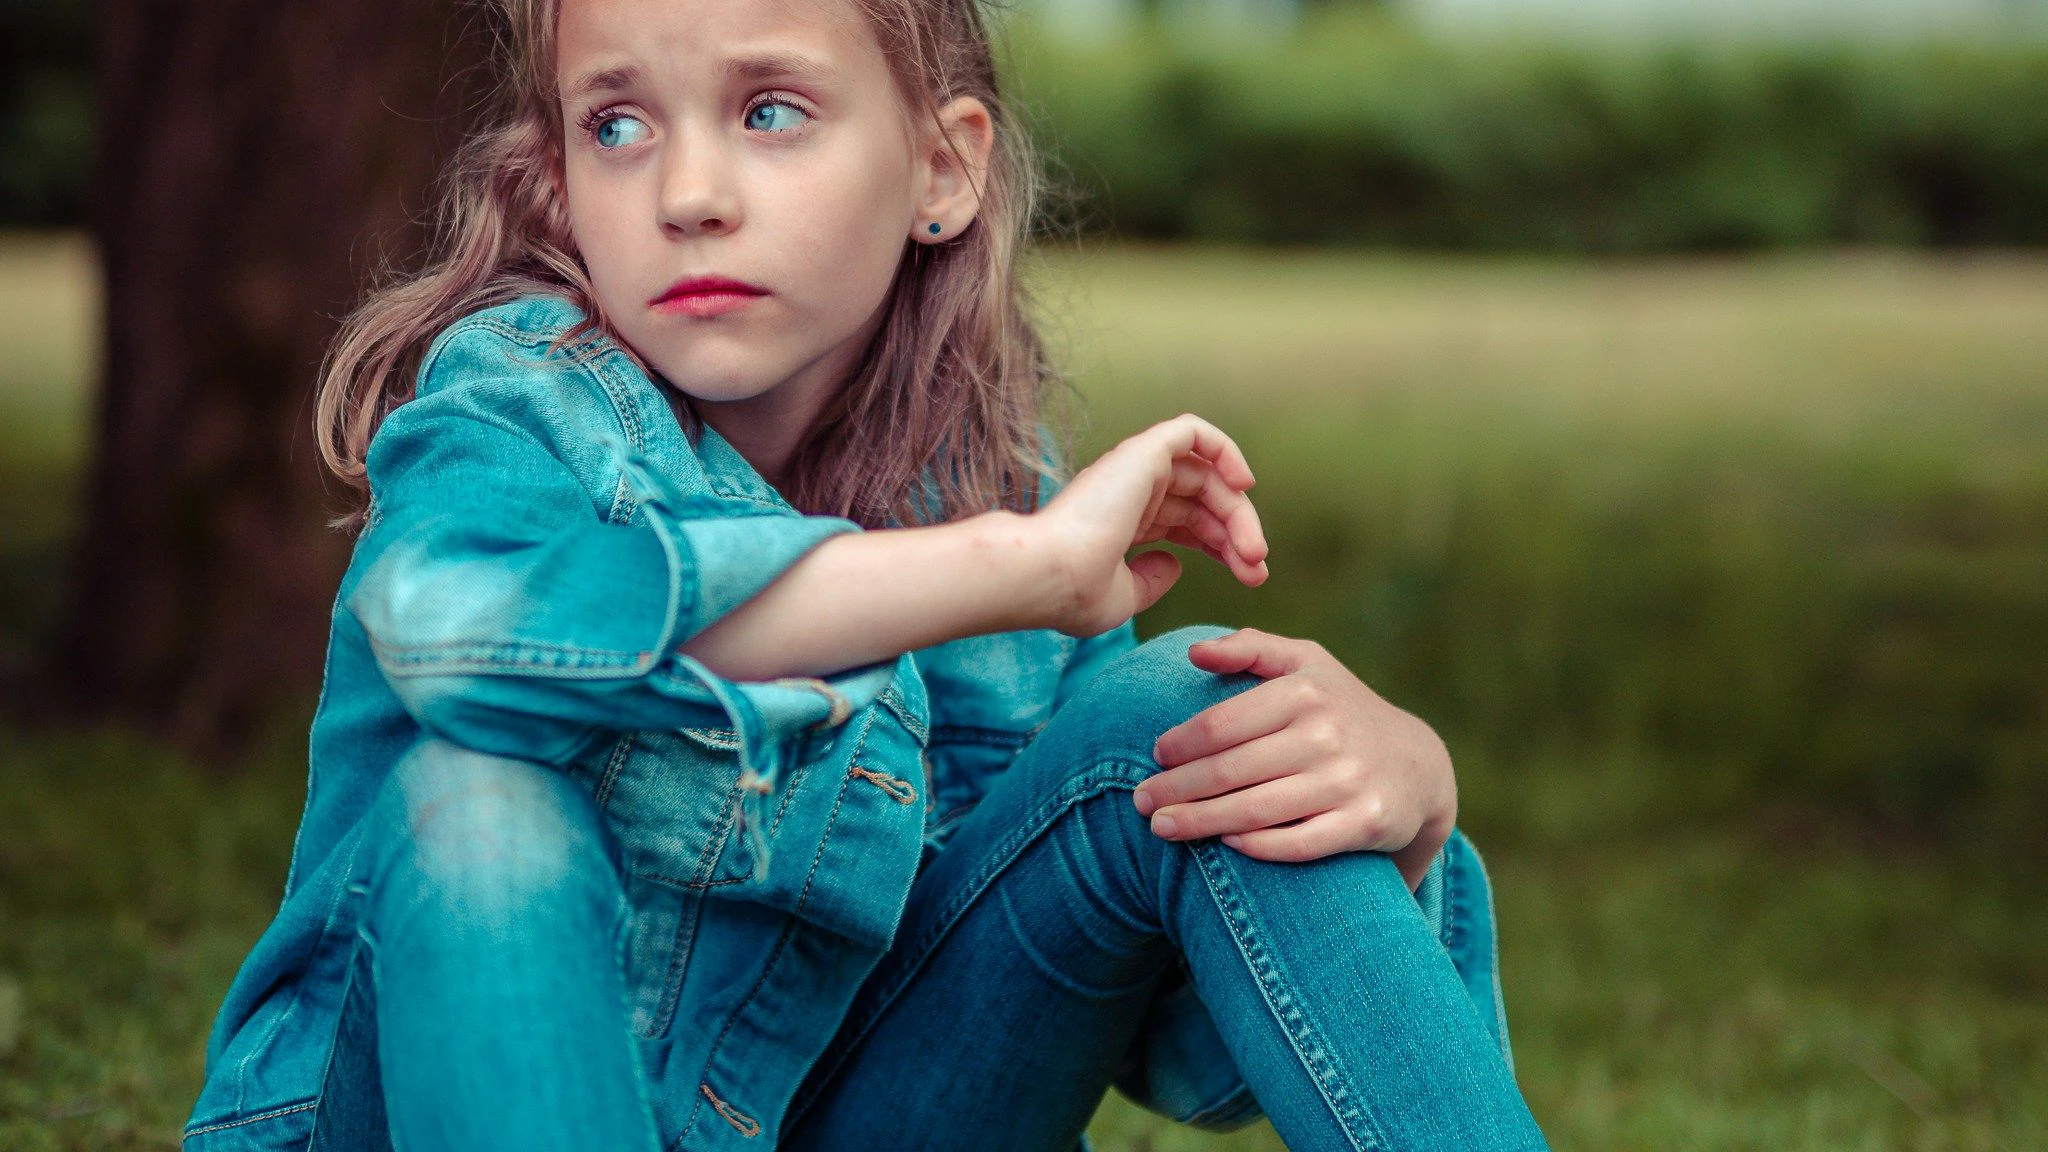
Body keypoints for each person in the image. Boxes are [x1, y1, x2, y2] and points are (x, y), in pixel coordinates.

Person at [183, 0, 1549, 1147]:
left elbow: (1201, 1061)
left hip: (850, 1109)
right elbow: (452, 639)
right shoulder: (511, 407)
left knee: (1189, 714)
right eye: (617, 125)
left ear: (942, 171)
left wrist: (1411, 804)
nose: (689, 195)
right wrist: (1002, 569)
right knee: (477, 803)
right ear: (556, 182)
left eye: (770, 109)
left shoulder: (992, 495)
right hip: (419, 1110)